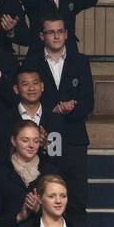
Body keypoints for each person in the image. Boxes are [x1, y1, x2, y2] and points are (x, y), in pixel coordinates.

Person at [24, 15, 94, 211]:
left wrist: (68, 108)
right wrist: (52, 112)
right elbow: (26, 98)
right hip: (42, 135)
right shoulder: (31, 62)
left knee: (76, 195)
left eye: (60, 31)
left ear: (66, 34)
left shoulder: (80, 62)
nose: (56, 36)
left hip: (73, 137)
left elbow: (89, 102)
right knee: (44, 192)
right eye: (51, 32)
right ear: (41, 36)